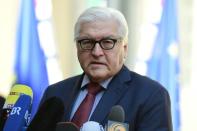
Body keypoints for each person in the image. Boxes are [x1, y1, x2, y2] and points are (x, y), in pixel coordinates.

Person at [40, 7, 172, 131]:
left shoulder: (151, 95)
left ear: (124, 49)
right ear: (77, 47)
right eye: (87, 42)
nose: (97, 52)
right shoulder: (54, 93)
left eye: (108, 42)